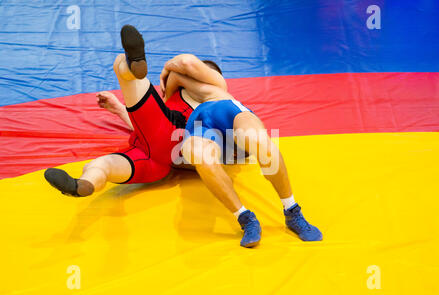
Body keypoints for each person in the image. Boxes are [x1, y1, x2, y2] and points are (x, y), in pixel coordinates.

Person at [159, 53, 323, 248]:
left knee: (259, 141)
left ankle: (292, 210)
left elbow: (183, 67)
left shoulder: (216, 86)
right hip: (201, 126)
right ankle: (245, 217)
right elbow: (173, 86)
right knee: (200, 156)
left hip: (225, 112)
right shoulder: (185, 93)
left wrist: (166, 71)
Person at [44, 25, 220, 196]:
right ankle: (82, 185)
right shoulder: (196, 102)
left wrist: (168, 71)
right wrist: (120, 110)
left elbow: (187, 65)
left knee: (121, 63)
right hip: (156, 159)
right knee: (101, 166)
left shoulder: (212, 95)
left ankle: (131, 67)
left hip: (170, 137)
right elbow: (152, 132)